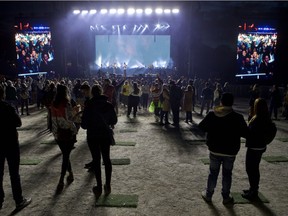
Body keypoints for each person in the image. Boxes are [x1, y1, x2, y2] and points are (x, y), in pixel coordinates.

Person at [198, 93, 248, 205]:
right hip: (230, 151)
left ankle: (208, 194)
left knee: (213, 173)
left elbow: (200, 127)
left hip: (214, 149)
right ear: (232, 102)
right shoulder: (238, 117)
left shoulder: (212, 114)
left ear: (221, 102)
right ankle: (225, 197)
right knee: (227, 174)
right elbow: (246, 133)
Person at [81, 84, 117, 199]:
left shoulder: (89, 105)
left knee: (96, 160)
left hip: (93, 136)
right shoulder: (108, 105)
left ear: (92, 92)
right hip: (105, 135)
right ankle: (108, 184)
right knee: (107, 159)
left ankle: (99, 186)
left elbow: (84, 125)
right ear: (101, 91)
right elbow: (114, 120)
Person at [0, 86, 32, 211]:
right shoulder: (8, 108)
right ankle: (18, 200)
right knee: (14, 173)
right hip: (10, 142)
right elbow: (18, 122)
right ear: (3, 94)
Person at [242, 98, 276, 200]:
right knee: (254, 169)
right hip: (260, 147)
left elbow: (249, 132)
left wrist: (248, 119)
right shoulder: (265, 117)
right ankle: (253, 189)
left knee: (251, 169)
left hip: (254, 147)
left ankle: (254, 191)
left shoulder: (257, 119)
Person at [50, 84, 78, 194]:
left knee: (66, 154)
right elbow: (70, 119)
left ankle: (70, 173)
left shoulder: (53, 104)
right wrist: (76, 111)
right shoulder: (67, 104)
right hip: (68, 132)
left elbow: (53, 120)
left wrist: (55, 133)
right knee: (66, 156)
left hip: (58, 134)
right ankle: (61, 179)